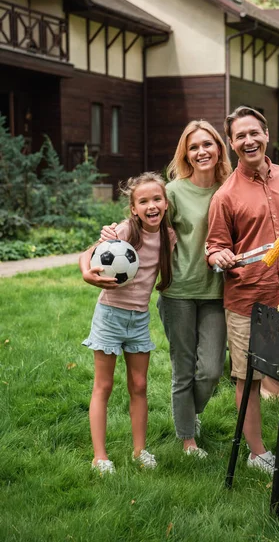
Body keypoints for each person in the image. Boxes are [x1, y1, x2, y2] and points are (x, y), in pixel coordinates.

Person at [101, 121, 231, 457]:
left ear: (218, 148)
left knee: (211, 370)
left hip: (217, 291)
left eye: (207, 144)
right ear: (185, 154)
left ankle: (191, 414)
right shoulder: (172, 191)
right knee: (183, 368)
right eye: (193, 146)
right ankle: (187, 438)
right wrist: (114, 232)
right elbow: (144, 218)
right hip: (177, 293)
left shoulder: (229, 188)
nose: (201, 151)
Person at [206, 106, 279, 475]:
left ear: (266, 135)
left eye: (253, 132)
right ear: (232, 144)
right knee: (248, 376)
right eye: (240, 136)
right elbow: (214, 246)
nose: (248, 140)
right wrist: (220, 255)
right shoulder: (225, 195)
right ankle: (258, 454)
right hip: (248, 300)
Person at [79, 172, 176, 474]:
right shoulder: (122, 232)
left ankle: (139, 450)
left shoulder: (167, 237)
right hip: (110, 316)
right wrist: (87, 272)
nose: (151, 206)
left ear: (166, 203)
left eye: (156, 199)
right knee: (103, 385)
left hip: (139, 319)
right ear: (134, 208)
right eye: (143, 201)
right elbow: (88, 254)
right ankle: (100, 456)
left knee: (139, 385)